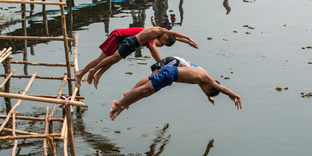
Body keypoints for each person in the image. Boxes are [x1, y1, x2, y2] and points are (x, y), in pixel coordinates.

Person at [74, 27, 199, 89]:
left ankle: (98, 74)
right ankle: (81, 73)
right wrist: (162, 65)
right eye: (161, 44)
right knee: (102, 59)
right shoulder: (153, 36)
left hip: (127, 41)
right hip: (118, 36)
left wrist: (187, 41)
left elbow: (175, 37)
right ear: (164, 37)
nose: (158, 45)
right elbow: (155, 51)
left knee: (114, 60)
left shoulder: (157, 36)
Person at [109, 65, 242, 121]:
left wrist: (208, 96)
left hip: (170, 76)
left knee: (146, 93)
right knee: (145, 90)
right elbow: (222, 88)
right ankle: (119, 103)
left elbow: (208, 87)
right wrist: (235, 95)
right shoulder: (207, 79)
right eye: (206, 90)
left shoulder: (204, 78)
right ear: (209, 85)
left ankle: (121, 105)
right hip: (171, 73)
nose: (203, 91)